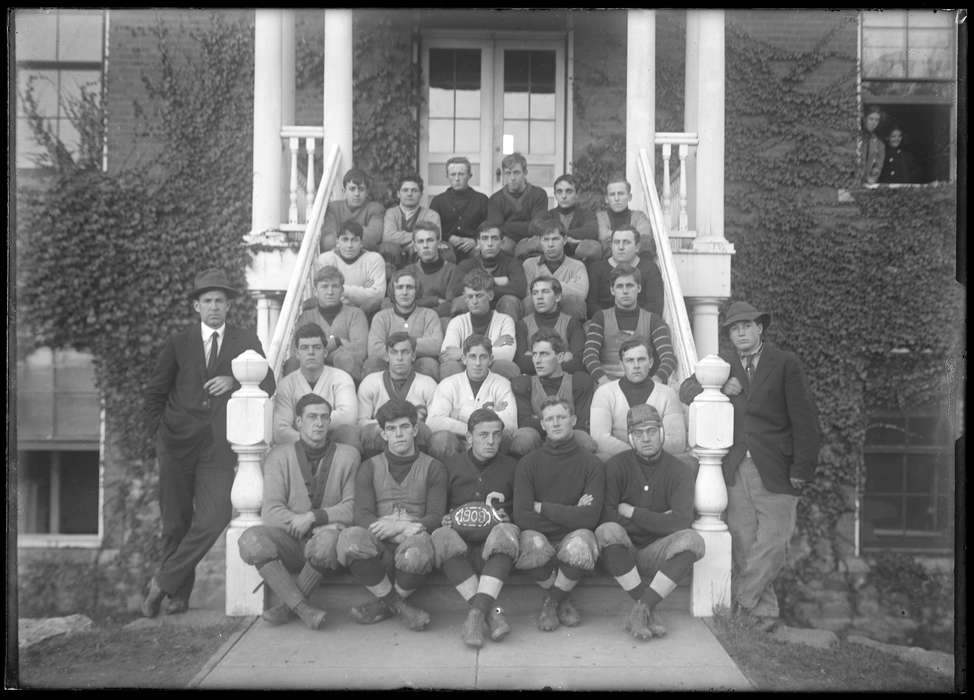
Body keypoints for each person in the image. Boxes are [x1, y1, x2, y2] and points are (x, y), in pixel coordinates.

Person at [142, 268, 276, 617]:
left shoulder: (245, 340)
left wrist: (234, 379)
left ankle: (163, 581)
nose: (214, 307)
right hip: (175, 444)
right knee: (175, 522)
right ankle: (177, 596)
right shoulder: (179, 343)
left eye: (220, 301)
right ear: (196, 306)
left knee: (216, 516)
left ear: (229, 306)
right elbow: (155, 392)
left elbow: (270, 383)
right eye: (207, 301)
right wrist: (158, 436)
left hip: (217, 447)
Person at [679, 301, 820, 632]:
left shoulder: (785, 363)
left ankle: (741, 600)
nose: (740, 332)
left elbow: (805, 418)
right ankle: (764, 615)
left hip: (778, 466)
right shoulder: (723, 364)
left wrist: (802, 468)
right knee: (744, 540)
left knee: (775, 540)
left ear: (760, 328)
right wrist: (715, 384)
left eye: (747, 326)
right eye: (734, 328)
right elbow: (686, 391)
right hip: (736, 466)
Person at [237, 394, 360, 629]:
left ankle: (289, 607)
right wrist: (308, 522)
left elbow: (352, 506)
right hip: (291, 541)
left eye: (325, 417)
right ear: (298, 421)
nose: (319, 423)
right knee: (251, 539)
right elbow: (271, 511)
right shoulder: (278, 456)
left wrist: (313, 517)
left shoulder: (348, 455)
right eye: (312, 417)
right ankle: (304, 609)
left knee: (328, 539)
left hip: (328, 546)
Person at [595, 404, 705, 640]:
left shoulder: (679, 471)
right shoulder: (616, 466)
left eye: (652, 431)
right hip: (623, 551)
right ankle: (647, 608)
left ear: (662, 432)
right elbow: (607, 515)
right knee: (607, 531)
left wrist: (632, 512)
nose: (646, 438)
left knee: (693, 540)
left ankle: (641, 610)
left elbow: (680, 522)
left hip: (659, 551)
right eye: (638, 433)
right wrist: (659, 519)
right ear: (631, 437)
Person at [335, 399, 447, 630]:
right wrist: (392, 530)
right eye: (391, 429)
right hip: (380, 544)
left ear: (415, 430)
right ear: (383, 434)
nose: (399, 434)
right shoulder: (370, 466)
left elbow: (436, 516)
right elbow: (362, 515)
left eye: (405, 427)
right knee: (350, 538)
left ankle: (383, 606)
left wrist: (401, 527)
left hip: (415, 540)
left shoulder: (434, 467)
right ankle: (400, 606)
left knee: (417, 552)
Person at [512, 397, 605, 631]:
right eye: (549, 419)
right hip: (542, 535)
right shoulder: (528, 463)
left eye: (561, 417)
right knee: (530, 542)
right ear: (542, 425)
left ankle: (552, 602)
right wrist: (572, 513)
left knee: (581, 542)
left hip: (573, 535)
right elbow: (522, 516)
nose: (555, 423)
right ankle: (564, 599)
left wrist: (542, 507)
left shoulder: (591, 464)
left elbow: (589, 518)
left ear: (572, 420)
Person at [430, 408, 520, 648]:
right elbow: (437, 509)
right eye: (483, 435)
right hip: (460, 544)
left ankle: (474, 617)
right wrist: (446, 519)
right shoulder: (449, 466)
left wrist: (507, 515)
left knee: (507, 533)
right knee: (441, 536)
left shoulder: (513, 466)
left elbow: (520, 510)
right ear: (469, 437)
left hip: (494, 544)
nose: (491, 441)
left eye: (496, 434)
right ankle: (492, 614)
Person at [589, 337, 686, 463]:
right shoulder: (604, 393)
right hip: (620, 462)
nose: (636, 366)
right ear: (621, 364)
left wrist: (644, 450)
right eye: (629, 360)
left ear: (650, 362)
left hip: (658, 461)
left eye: (641, 360)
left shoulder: (667, 394)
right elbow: (599, 438)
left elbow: (677, 442)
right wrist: (636, 453)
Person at [427, 334, 518, 461]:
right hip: (458, 444)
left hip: (491, 446)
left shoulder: (502, 384)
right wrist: (472, 431)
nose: (477, 363)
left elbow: (510, 425)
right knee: (441, 440)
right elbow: (433, 422)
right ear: (464, 359)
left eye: (483, 357)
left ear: (491, 359)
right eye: (472, 357)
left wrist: (462, 413)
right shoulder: (448, 384)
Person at [583, 265, 677, 386]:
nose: (625, 291)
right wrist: (603, 382)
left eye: (630, 285)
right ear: (612, 290)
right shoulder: (600, 318)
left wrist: (655, 382)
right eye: (619, 286)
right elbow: (589, 354)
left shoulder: (653, 320)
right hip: (607, 384)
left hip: (643, 385)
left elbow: (668, 357)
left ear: (639, 288)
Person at [510, 329, 597, 457]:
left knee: (583, 440)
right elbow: (525, 422)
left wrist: (539, 420)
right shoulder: (524, 383)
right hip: (537, 439)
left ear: (560, 357)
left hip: (569, 438)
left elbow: (581, 423)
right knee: (523, 439)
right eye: (534, 354)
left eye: (544, 354)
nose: (537, 360)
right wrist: (562, 422)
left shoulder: (579, 382)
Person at [273, 323, 360, 451]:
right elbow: (280, 431)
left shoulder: (342, 378)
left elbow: (348, 417)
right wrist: (310, 440)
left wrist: (306, 422)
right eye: (304, 348)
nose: (311, 352)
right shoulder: (286, 385)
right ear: (297, 353)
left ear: (325, 352)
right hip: (300, 445)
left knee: (350, 435)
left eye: (316, 347)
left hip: (334, 443)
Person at [358, 332, 438, 458]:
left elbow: (434, 424)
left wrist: (407, 428)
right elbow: (361, 422)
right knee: (370, 431)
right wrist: (390, 427)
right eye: (394, 352)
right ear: (386, 356)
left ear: (413, 356)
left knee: (422, 429)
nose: (399, 358)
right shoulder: (370, 382)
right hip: (381, 440)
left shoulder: (428, 383)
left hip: (417, 444)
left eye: (405, 352)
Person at [292, 265, 369, 381]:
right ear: (315, 291)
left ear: (342, 290)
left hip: (346, 373)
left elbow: (360, 351)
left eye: (335, 286)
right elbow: (296, 350)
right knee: (292, 363)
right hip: (313, 370)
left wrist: (321, 349)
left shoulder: (356, 314)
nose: (330, 292)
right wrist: (337, 342)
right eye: (324, 286)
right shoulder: (306, 317)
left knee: (345, 359)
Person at [440, 269, 519, 380]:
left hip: (491, 374)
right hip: (464, 375)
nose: (474, 301)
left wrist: (462, 353)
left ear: (490, 295)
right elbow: (447, 354)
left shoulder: (505, 321)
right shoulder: (457, 322)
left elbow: (507, 354)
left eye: (479, 296)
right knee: (450, 366)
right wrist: (492, 348)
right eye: (470, 296)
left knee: (505, 366)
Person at [364, 269, 443, 380]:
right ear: (393, 291)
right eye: (400, 287)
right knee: (372, 363)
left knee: (429, 364)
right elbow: (374, 349)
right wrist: (412, 345)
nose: (405, 292)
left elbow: (435, 346)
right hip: (388, 364)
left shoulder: (429, 315)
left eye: (409, 287)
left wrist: (394, 345)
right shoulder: (381, 317)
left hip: (418, 363)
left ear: (417, 290)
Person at [453, 222, 527, 322]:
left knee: (509, 301)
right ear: (478, 242)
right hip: (476, 303)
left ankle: (507, 336)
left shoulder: (512, 263)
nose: (490, 243)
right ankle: (467, 336)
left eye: (494, 238)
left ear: (502, 242)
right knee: (461, 302)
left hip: (501, 304)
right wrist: (493, 281)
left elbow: (519, 289)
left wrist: (483, 292)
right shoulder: (467, 264)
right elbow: (456, 289)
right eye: (484, 238)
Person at [587, 224, 664, 317]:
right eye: (616, 242)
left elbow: (655, 306)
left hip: (640, 324)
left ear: (637, 247)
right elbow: (591, 305)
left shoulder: (650, 269)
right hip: (605, 324)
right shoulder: (596, 269)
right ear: (611, 245)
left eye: (626, 242)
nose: (621, 247)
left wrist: (630, 322)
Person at [514, 276, 586, 376]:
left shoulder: (572, 323)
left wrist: (534, 358)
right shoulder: (522, 325)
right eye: (535, 293)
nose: (539, 297)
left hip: (563, 380)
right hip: (532, 381)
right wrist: (561, 358)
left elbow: (578, 363)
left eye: (545, 291)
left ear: (558, 297)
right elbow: (522, 364)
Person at [521, 219, 589, 322]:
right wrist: (561, 288)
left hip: (567, 318)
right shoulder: (529, 264)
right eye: (546, 239)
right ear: (540, 241)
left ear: (565, 240)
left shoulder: (577, 266)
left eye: (555, 239)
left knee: (575, 302)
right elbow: (528, 294)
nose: (550, 244)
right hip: (537, 317)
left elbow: (580, 294)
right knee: (529, 302)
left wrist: (546, 288)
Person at [484, 152, 549, 259]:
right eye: (508, 173)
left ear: (525, 172)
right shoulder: (496, 198)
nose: (512, 178)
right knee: (500, 247)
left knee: (538, 246)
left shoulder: (538, 194)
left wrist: (508, 225)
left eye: (516, 173)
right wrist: (527, 225)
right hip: (507, 241)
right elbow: (497, 229)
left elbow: (537, 226)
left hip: (531, 240)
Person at [316, 220, 386, 316]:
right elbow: (323, 293)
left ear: (361, 242)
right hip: (334, 314)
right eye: (345, 239)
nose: (349, 245)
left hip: (366, 314)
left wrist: (340, 289)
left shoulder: (374, 259)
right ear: (337, 241)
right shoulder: (326, 259)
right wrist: (363, 290)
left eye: (355, 240)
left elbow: (378, 295)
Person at [429, 156, 489, 262]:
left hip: (473, 244)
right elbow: (432, 228)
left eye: (461, 174)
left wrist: (476, 241)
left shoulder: (482, 200)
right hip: (446, 243)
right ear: (447, 176)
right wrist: (448, 238)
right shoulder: (438, 201)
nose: (457, 178)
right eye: (453, 174)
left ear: (469, 176)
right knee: (445, 254)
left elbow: (488, 227)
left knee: (478, 254)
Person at [532, 174, 601, 263]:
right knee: (529, 245)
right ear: (555, 195)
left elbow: (591, 231)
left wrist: (557, 236)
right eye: (559, 192)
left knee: (594, 247)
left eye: (568, 191)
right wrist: (565, 238)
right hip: (551, 258)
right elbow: (533, 226)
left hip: (578, 260)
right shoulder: (548, 215)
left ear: (577, 194)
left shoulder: (587, 214)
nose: (564, 196)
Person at [403, 221, 463, 321]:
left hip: (439, 320)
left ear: (439, 242)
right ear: (415, 246)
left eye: (430, 240)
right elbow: (404, 302)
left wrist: (423, 313)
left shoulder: (452, 271)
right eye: (420, 241)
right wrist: (435, 300)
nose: (425, 245)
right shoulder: (408, 272)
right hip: (412, 320)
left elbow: (450, 306)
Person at [380, 173, 442, 268]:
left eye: (414, 190)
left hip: (421, 259)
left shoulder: (432, 215)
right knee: (388, 247)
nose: (409, 194)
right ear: (398, 194)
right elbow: (388, 236)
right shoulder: (391, 213)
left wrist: (409, 242)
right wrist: (417, 238)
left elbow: (435, 238)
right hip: (396, 259)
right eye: (405, 190)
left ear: (421, 194)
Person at [320, 168, 385, 252]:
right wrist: (358, 236)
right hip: (338, 258)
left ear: (367, 192)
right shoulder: (333, 208)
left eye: (361, 189)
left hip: (364, 258)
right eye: (352, 189)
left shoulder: (375, 209)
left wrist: (342, 235)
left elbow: (372, 239)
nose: (357, 193)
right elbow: (328, 242)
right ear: (344, 191)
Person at [595, 175, 655, 258]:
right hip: (608, 264)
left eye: (620, 194)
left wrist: (613, 238)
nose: (616, 198)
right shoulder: (600, 217)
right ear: (606, 199)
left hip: (636, 264)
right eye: (612, 194)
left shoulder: (639, 216)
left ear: (629, 197)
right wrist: (629, 240)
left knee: (645, 243)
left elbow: (644, 236)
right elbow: (603, 236)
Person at [859, 105, 885, 186]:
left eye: (876, 120)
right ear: (865, 119)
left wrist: (871, 178)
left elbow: (878, 166)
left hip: (866, 184)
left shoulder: (879, 144)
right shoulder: (857, 138)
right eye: (871, 119)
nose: (874, 123)